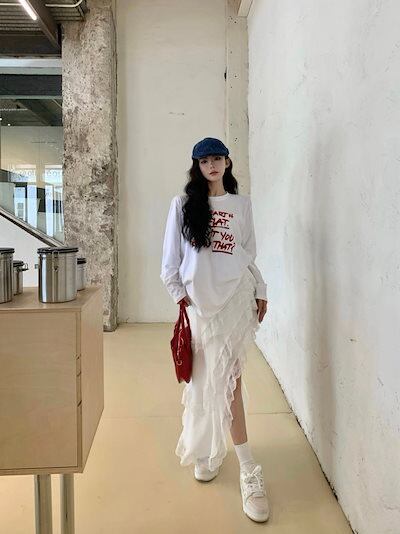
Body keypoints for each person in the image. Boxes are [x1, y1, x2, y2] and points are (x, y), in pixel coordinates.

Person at [160, 137, 270, 523]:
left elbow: (248, 256)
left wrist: (261, 288)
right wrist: (182, 299)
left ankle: (248, 469)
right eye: (205, 160)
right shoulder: (182, 205)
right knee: (203, 380)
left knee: (231, 381)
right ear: (197, 165)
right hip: (200, 307)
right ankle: (207, 449)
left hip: (235, 301)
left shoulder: (242, 205)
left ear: (227, 162)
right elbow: (170, 262)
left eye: (218, 159)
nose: (212, 165)